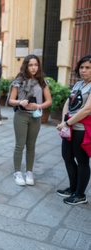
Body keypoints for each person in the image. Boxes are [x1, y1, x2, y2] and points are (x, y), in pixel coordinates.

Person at [8, 54, 52, 186]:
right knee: (19, 145)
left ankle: (29, 172)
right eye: (31, 65)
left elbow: (49, 101)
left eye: (36, 65)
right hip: (21, 116)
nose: (33, 68)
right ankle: (17, 172)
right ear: (26, 66)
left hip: (35, 116)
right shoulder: (19, 80)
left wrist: (38, 105)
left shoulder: (42, 81)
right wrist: (21, 102)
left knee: (31, 146)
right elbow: (10, 100)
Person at [56, 55, 91, 205]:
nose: (84, 70)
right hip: (70, 127)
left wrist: (67, 123)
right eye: (82, 67)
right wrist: (64, 121)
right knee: (68, 157)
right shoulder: (78, 84)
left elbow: (87, 109)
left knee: (82, 161)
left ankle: (80, 194)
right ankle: (73, 188)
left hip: (82, 129)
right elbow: (67, 103)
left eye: (88, 68)